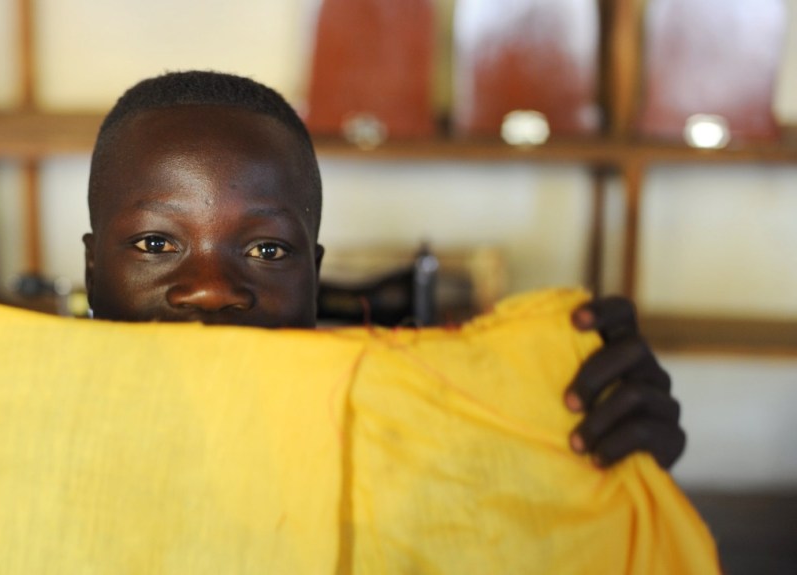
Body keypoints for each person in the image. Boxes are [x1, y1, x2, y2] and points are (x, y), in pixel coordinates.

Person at [82, 70, 685, 470]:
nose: (212, 291)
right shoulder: (7, 435)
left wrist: (593, 468)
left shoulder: (410, 450)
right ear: (90, 268)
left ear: (314, 278)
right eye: (155, 243)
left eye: (268, 251)